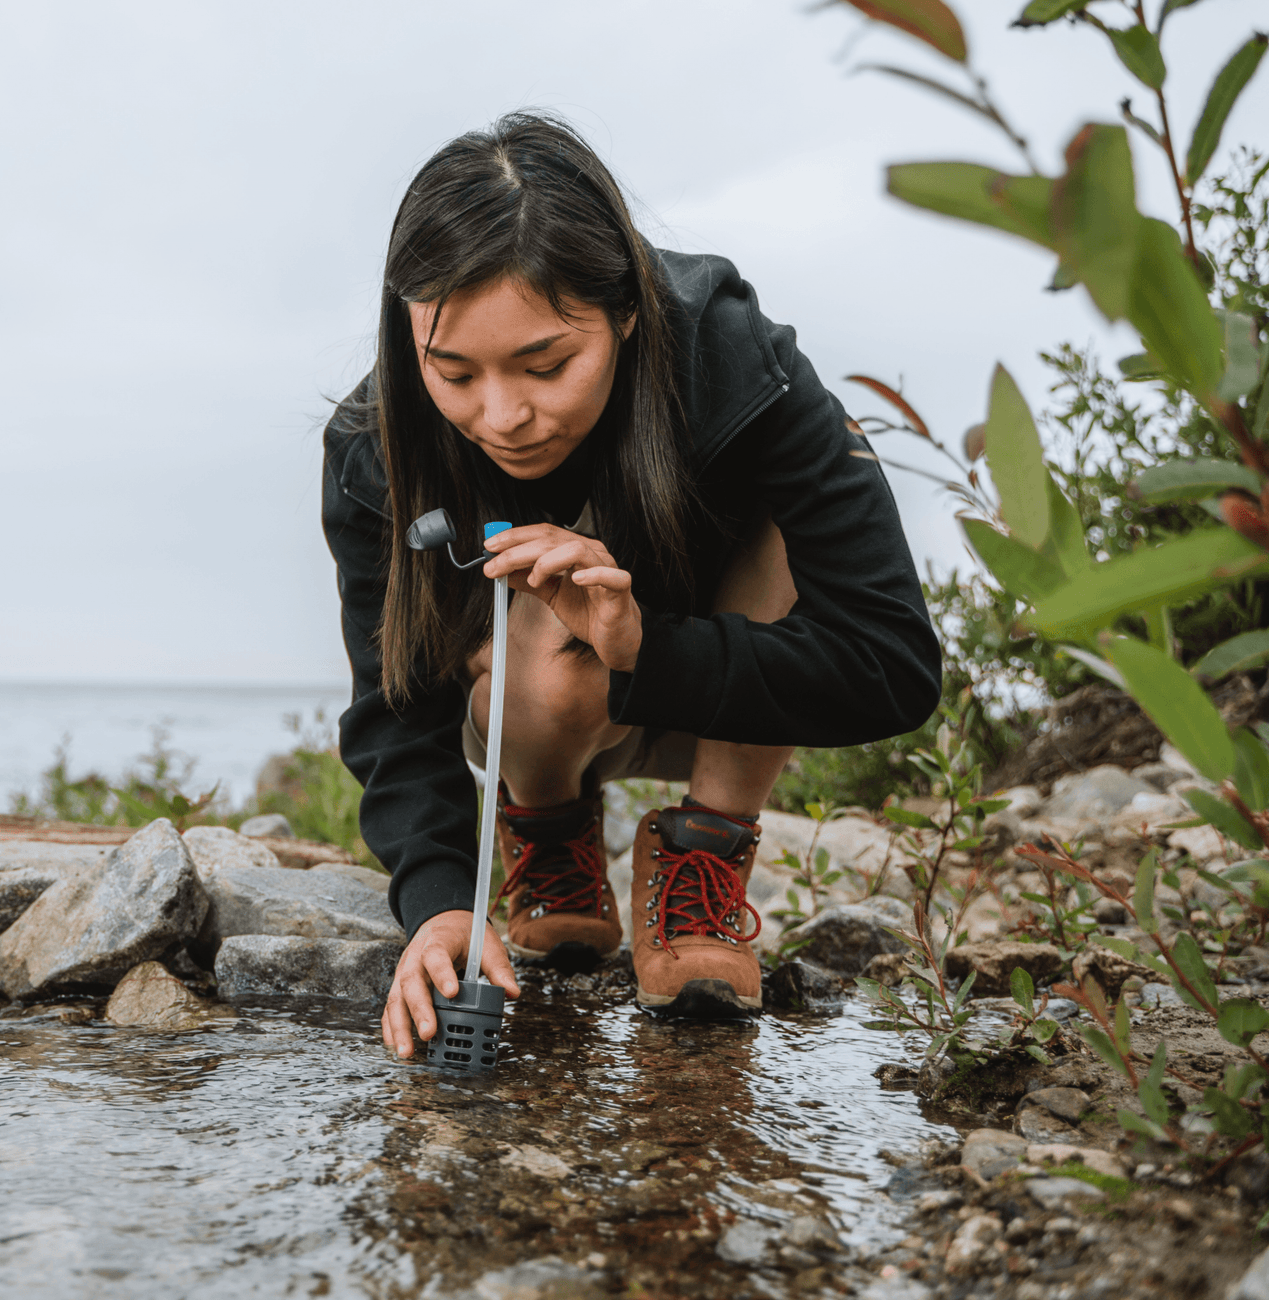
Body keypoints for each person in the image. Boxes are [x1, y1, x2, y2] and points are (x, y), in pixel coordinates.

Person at [321, 113, 941, 1059]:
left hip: (720, 694)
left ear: (626, 312)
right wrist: (442, 904)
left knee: (778, 531)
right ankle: (548, 834)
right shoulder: (375, 446)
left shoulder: (743, 369)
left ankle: (705, 848)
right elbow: (391, 710)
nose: (503, 416)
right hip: (534, 705)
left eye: (546, 364)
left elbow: (893, 664)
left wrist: (646, 646)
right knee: (533, 610)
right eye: (453, 371)